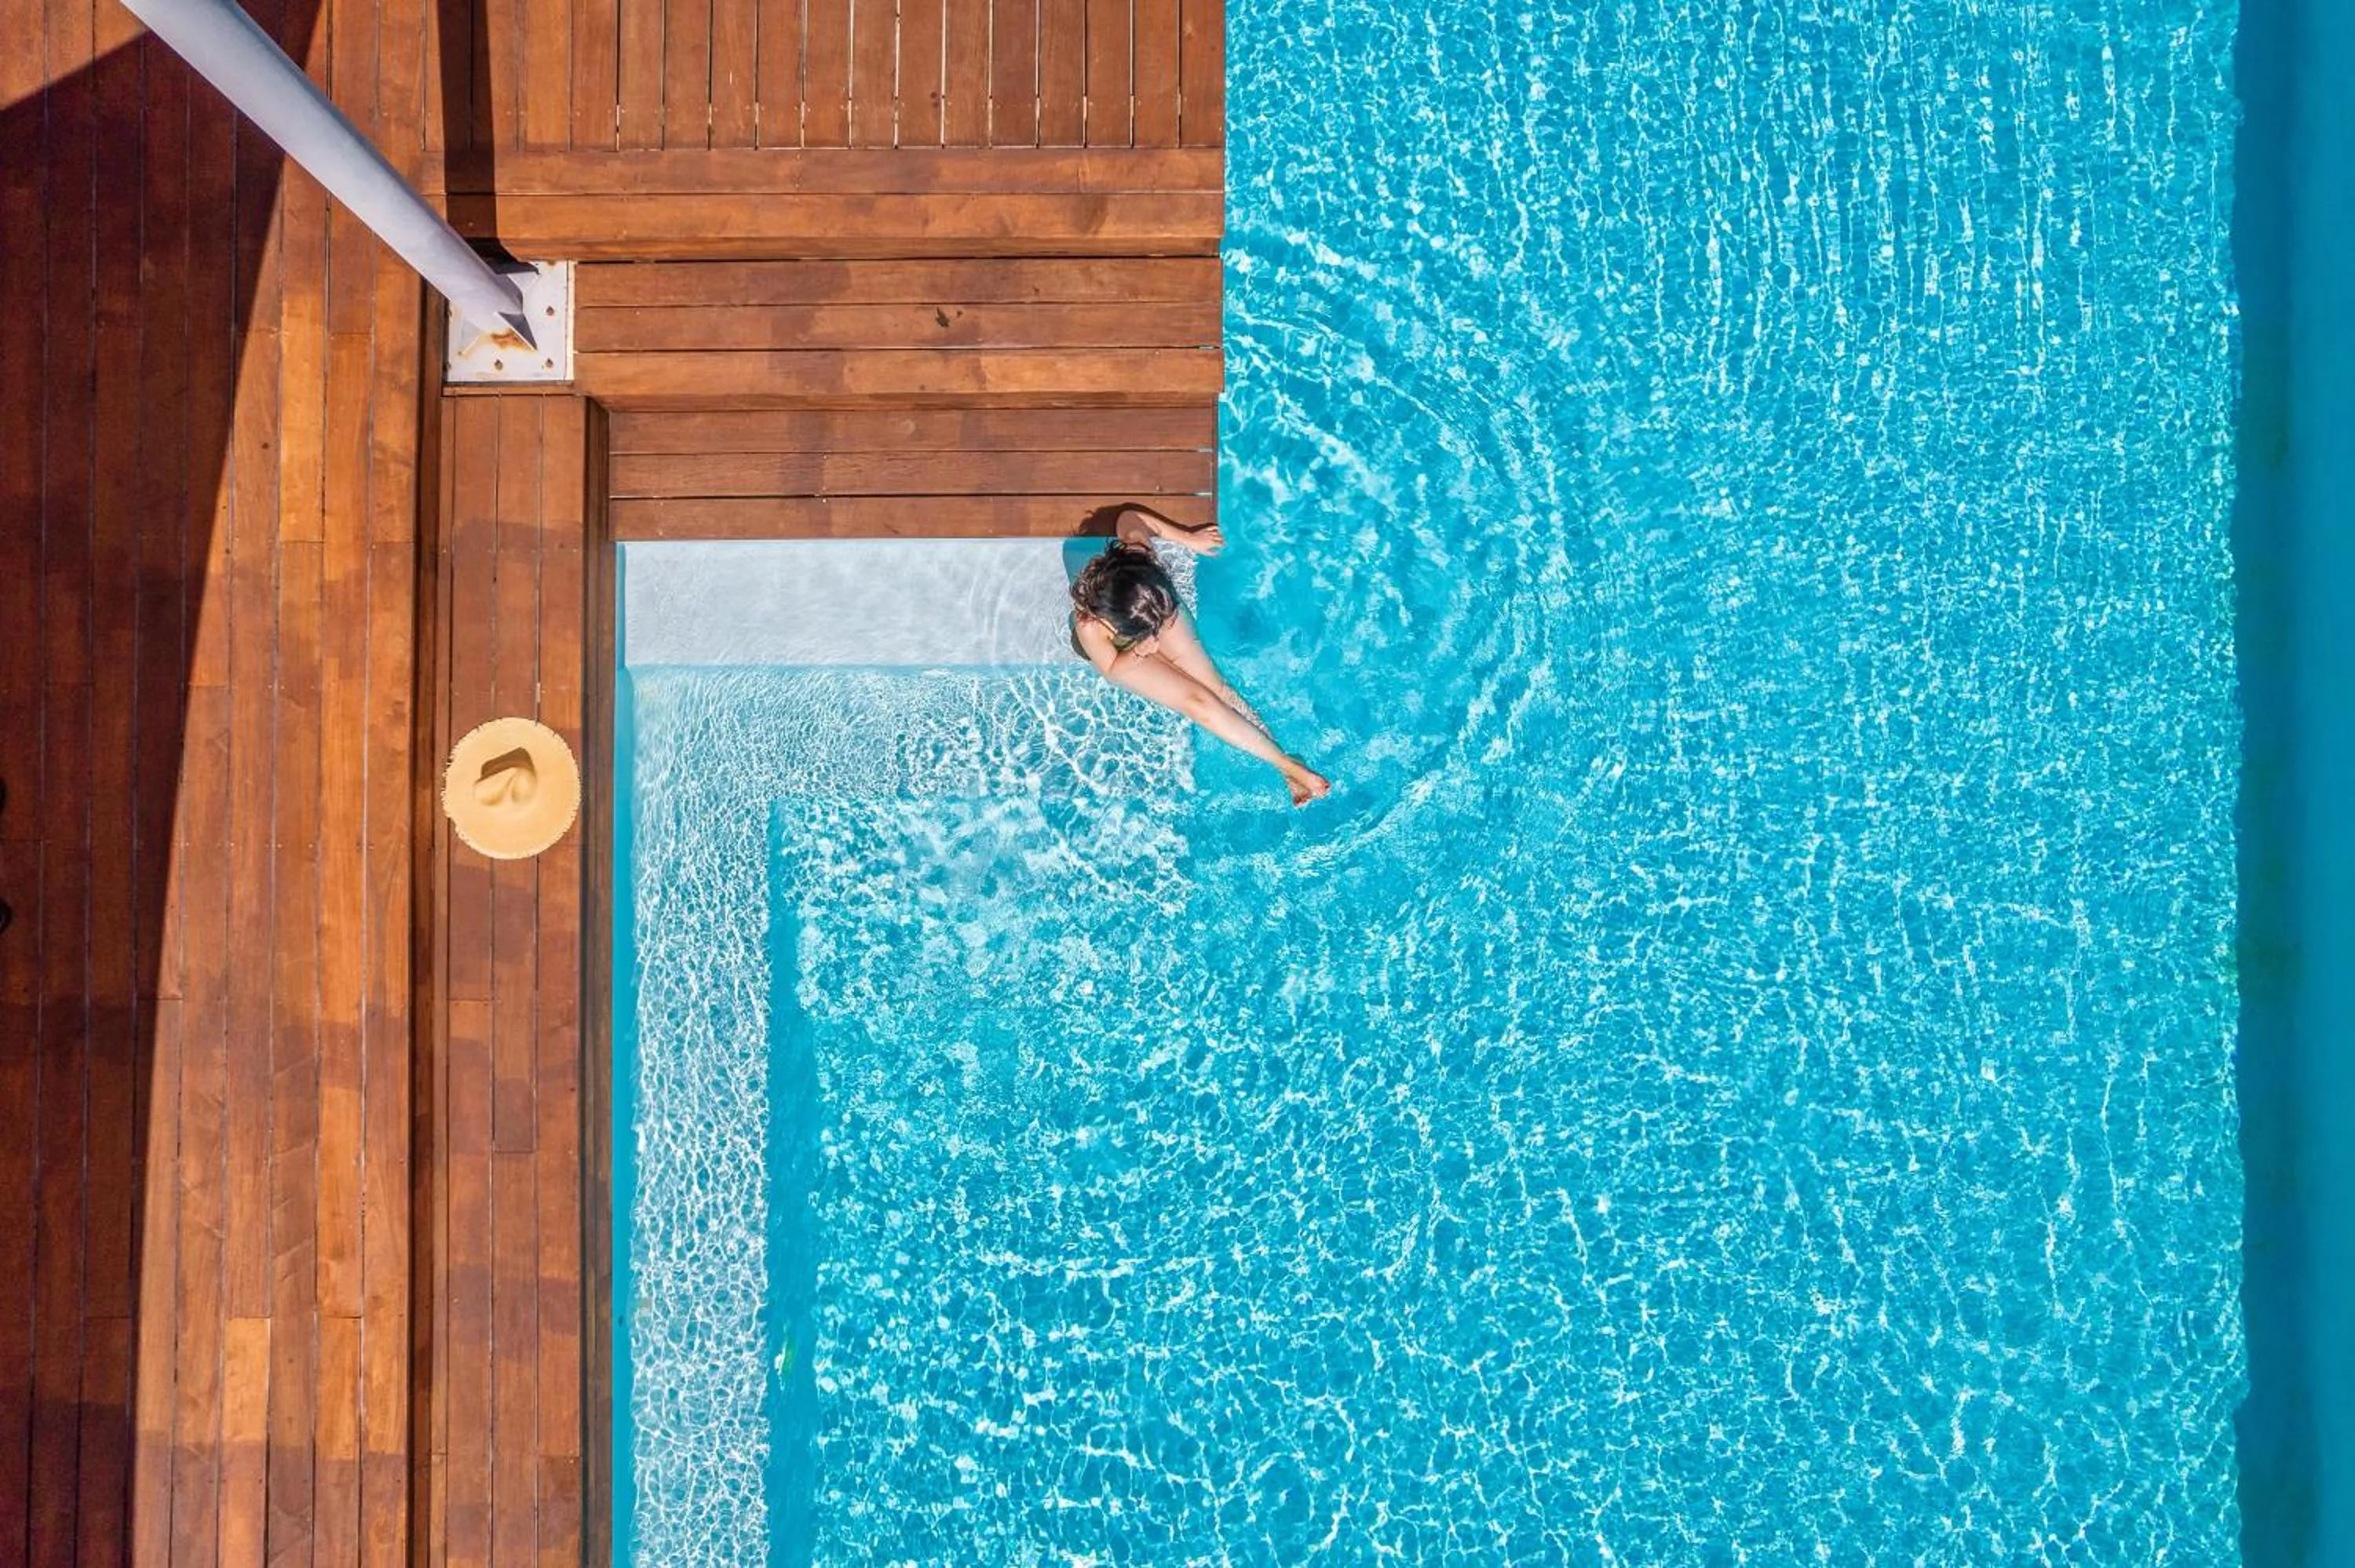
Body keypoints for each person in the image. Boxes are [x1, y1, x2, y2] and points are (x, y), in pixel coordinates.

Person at [1070, 504, 1331, 806]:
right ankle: (1286, 765)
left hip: (1157, 610)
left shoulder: (1137, 556)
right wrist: (1139, 650)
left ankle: (1286, 765)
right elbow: (1112, 668)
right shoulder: (1091, 625)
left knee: (1218, 689)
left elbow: (1130, 517)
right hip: (1126, 652)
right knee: (1198, 703)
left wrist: (1188, 538)